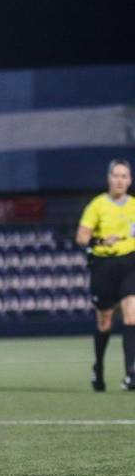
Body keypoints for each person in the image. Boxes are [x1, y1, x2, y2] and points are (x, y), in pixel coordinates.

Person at [75, 159, 135, 392]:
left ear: (130, 180)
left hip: (130, 262)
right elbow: (81, 236)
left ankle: (131, 372)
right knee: (105, 322)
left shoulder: (134, 205)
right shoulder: (97, 205)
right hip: (103, 265)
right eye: (116, 175)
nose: (120, 180)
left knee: (132, 315)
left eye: (124, 176)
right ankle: (98, 367)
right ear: (109, 178)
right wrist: (100, 240)